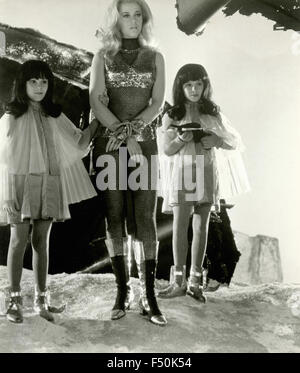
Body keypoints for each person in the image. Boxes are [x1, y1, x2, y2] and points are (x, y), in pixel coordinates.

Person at [0, 60, 98, 323]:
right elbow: (4, 159)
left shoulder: (53, 114)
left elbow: (78, 142)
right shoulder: (11, 116)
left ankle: (42, 301)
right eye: (33, 81)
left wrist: (97, 120)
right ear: (22, 83)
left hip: (48, 182)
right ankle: (13, 301)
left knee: (41, 242)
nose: (39, 87)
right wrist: (8, 195)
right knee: (18, 241)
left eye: (44, 81)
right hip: (19, 184)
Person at [89, 0, 167, 325]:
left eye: (138, 15)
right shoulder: (102, 56)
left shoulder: (156, 57)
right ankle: (122, 291)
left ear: (144, 19)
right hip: (110, 149)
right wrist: (126, 136)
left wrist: (135, 133)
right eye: (126, 15)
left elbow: (158, 101)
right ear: (115, 20)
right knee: (115, 217)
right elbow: (95, 98)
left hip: (145, 148)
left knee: (145, 219)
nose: (133, 21)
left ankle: (148, 296)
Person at [157, 63, 249, 302]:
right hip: (184, 172)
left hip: (208, 173)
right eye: (188, 85)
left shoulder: (213, 113)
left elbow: (235, 142)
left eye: (198, 84)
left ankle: (195, 282)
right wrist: (180, 139)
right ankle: (178, 280)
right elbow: (166, 150)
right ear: (181, 87)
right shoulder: (172, 114)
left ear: (205, 85)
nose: (194, 89)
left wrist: (216, 140)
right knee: (180, 226)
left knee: (201, 227)